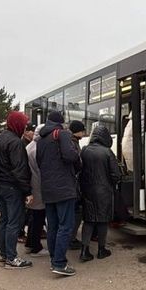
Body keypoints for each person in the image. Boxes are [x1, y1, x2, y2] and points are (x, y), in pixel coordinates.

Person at [37, 111, 81, 276]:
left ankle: (53, 260)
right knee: (66, 226)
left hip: (47, 188)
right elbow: (70, 155)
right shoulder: (61, 134)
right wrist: (77, 156)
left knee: (53, 226)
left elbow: (39, 162)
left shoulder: (41, 140)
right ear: (61, 123)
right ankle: (60, 263)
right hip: (63, 188)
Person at [0, 111, 33, 269]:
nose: (24, 127)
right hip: (13, 186)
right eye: (23, 124)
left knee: (3, 219)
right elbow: (19, 170)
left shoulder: (0, 138)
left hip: (1, 184)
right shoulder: (15, 142)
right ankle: (11, 257)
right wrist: (27, 191)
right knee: (13, 222)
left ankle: (4, 254)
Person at [78, 125, 121, 261]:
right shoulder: (107, 152)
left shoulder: (84, 150)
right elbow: (116, 174)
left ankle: (84, 251)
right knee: (102, 220)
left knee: (89, 220)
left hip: (87, 190)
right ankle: (101, 250)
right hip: (103, 191)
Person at [25, 124, 48, 257]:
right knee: (38, 217)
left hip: (32, 185)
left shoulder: (30, 146)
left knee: (34, 216)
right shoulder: (38, 148)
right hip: (38, 186)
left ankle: (30, 243)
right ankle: (36, 247)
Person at [67, 120, 87, 250]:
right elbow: (77, 163)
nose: (84, 132)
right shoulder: (72, 143)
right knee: (76, 211)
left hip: (70, 183)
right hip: (73, 184)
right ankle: (71, 239)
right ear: (77, 131)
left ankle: (70, 237)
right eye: (82, 130)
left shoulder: (72, 142)